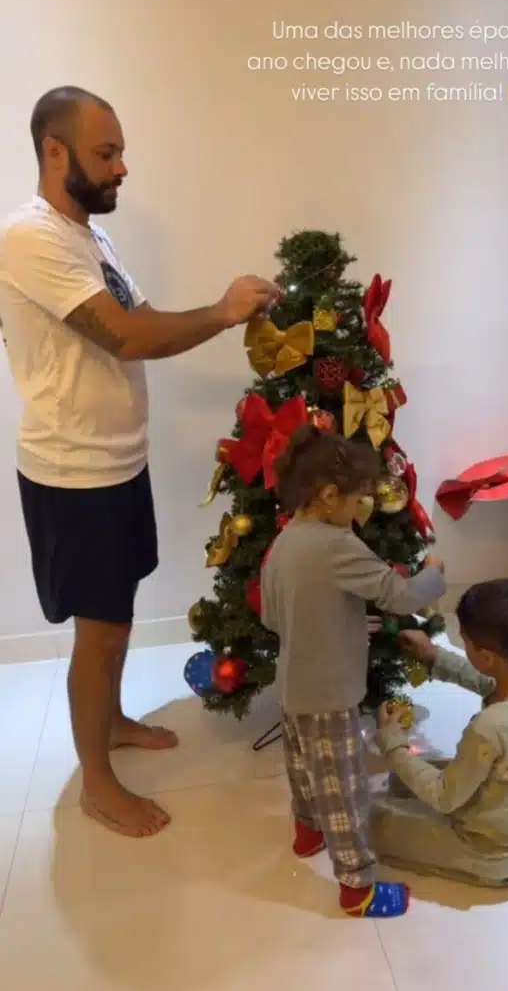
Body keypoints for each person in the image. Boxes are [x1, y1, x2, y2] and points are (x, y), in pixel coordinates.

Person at [0, 86, 281, 838]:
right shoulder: (31, 237)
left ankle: (114, 721)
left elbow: (144, 320)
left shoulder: (90, 238)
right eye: (106, 152)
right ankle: (97, 782)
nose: (123, 167)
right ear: (54, 152)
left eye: (120, 150)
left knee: (115, 619)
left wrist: (224, 318)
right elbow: (124, 337)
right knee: (99, 631)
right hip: (73, 474)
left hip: (118, 463)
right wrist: (223, 310)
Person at [260, 426, 446, 917]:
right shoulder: (337, 545)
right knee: (343, 788)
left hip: (293, 692)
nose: (361, 512)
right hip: (330, 696)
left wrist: (339, 621)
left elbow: (275, 617)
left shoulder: (284, 544)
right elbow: (401, 595)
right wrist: (434, 572)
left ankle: (307, 835)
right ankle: (356, 889)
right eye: (358, 501)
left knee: (303, 772)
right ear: (328, 497)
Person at [371, 578, 508, 886]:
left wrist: (393, 741)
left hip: (490, 851)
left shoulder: (490, 727)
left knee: (377, 821)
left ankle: (485, 861)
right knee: (400, 782)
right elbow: (487, 681)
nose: (463, 646)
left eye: (465, 642)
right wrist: (433, 654)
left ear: (486, 657)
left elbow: (445, 797)